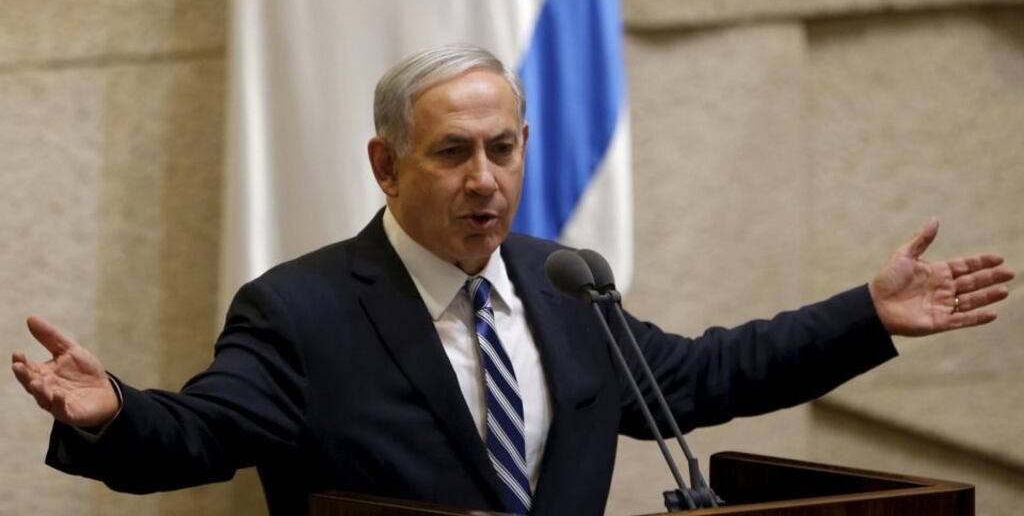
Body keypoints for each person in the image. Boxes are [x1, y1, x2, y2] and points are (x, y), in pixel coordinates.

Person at [11, 44, 1015, 516]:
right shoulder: (301, 309)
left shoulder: (564, 284)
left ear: (528, 146)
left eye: (502, 148)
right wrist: (110, 416)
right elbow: (201, 437)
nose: (484, 180)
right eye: (451, 153)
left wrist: (866, 315)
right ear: (385, 164)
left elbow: (707, 378)